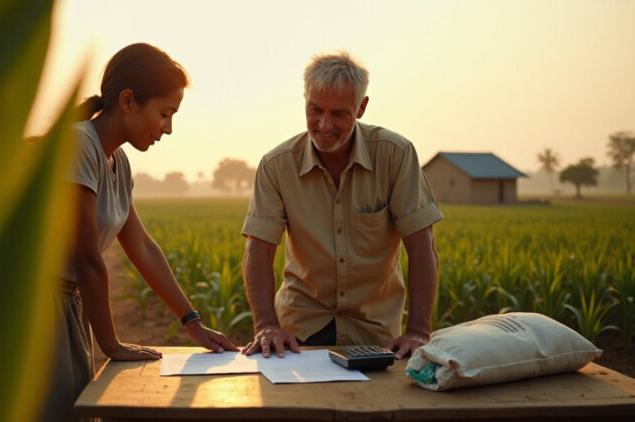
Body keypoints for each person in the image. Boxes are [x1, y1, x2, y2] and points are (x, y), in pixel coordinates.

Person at [41, 43, 238, 422]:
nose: (168, 128)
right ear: (128, 101)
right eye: (165, 114)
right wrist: (111, 344)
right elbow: (86, 259)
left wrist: (192, 322)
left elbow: (142, 247)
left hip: (70, 306)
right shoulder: (79, 145)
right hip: (36, 308)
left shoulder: (119, 160)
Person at [240, 51, 443, 360]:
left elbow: (421, 246)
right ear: (304, 100)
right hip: (299, 333)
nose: (324, 124)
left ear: (361, 107)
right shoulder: (277, 165)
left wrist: (418, 331)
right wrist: (266, 325)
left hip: (375, 334)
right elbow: (259, 250)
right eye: (315, 110)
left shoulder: (395, 155)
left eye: (338, 113)